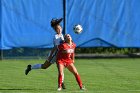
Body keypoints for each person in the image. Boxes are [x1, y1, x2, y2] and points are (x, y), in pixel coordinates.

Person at [25, 18, 66, 89]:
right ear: (55, 30)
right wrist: (50, 56)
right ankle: (30, 67)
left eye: (59, 28)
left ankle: (61, 83)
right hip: (54, 54)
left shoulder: (62, 35)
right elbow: (55, 48)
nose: (59, 30)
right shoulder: (56, 37)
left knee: (61, 68)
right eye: (57, 29)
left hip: (60, 55)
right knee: (44, 66)